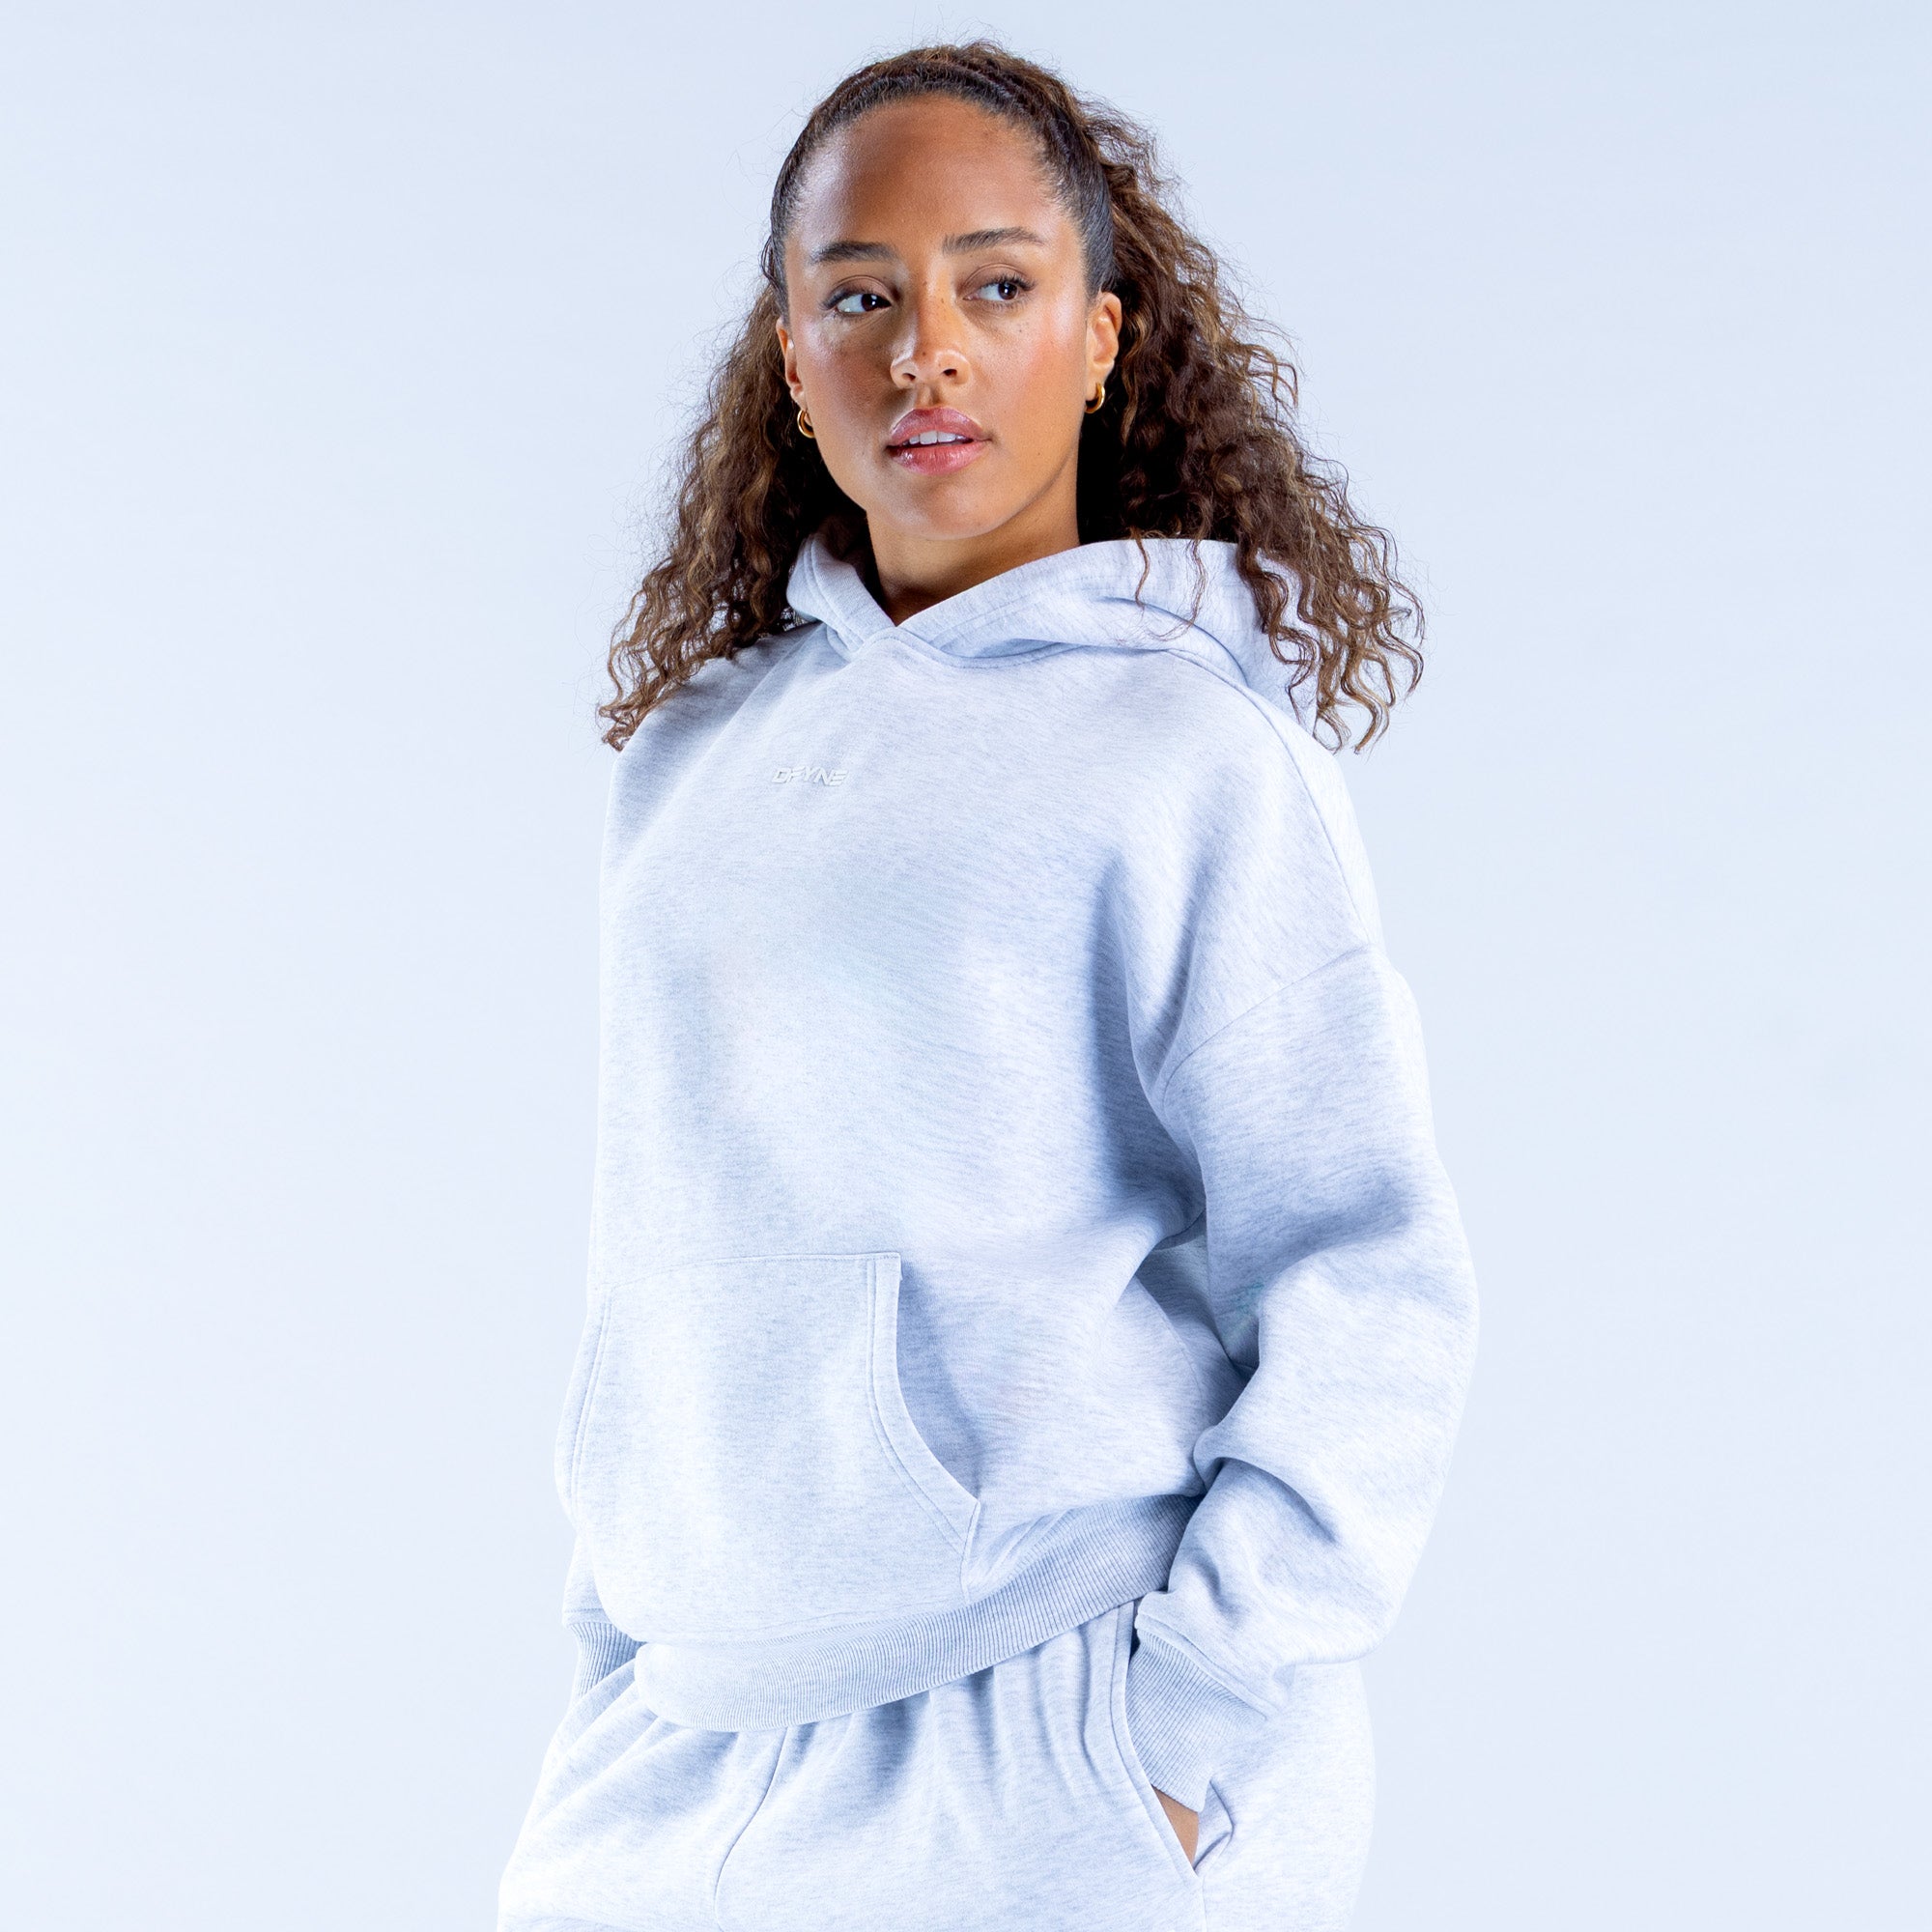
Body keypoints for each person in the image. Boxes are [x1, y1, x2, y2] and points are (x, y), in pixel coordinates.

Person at [497, 39, 1478, 1932]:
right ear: (793, 356)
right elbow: (659, 1236)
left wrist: (1191, 1722)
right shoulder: (692, 759)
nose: (924, 353)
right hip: (685, 1735)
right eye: (861, 296)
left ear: (1100, 340)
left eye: (996, 287)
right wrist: (610, 1646)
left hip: (1058, 1724)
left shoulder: (1190, 754)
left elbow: (1364, 1272)